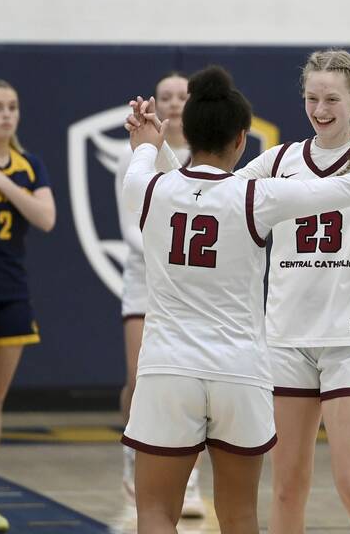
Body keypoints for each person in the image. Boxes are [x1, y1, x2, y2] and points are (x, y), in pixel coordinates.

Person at [131, 49, 350, 533]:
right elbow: (208, 190)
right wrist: (161, 150)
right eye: (311, 98)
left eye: (331, 99)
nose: (320, 108)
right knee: (286, 486)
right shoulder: (279, 160)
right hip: (285, 338)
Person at [0, 79, 56, 533]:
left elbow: (46, 218)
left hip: (11, 291)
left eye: (12, 107)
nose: (5, 115)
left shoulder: (28, 166)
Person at [115, 72, 206, 518]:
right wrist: (170, 252)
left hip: (188, 284)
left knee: (192, 382)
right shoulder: (134, 153)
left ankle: (189, 479)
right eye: (165, 97)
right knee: (140, 379)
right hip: (145, 280)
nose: (173, 104)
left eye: (181, 97)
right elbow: (132, 224)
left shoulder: (205, 155)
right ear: (155, 102)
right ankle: (134, 458)